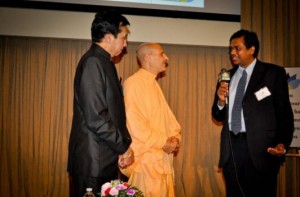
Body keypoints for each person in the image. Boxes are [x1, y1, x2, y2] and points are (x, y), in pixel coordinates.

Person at [212, 29, 294, 197]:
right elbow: (217, 115)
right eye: (230, 49)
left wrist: (282, 143)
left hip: (262, 151)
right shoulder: (226, 76)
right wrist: (220, 101)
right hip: (232, 150)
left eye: (237, 48)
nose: (232, 52)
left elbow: (284, 113)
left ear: (252, 49)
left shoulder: (273, 74)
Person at [67, 10, 134, 197]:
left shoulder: (105, 62)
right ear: (108, 37)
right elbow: (97, 117)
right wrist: (123, 147)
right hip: (93, 163)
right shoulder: (93, 63)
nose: (126, 43)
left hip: (104, 158)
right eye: (123, 37)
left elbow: (115, 114)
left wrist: (122, 148)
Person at [120, 43, 181, 197]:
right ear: (148, 58)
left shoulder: (152, 83)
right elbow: (135, 126)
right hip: (146, 164)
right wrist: (164, 142)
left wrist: (174, 139)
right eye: (162, 54)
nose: (166, 58)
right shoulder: (133, 84)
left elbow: (169, 122)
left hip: (160, 160)